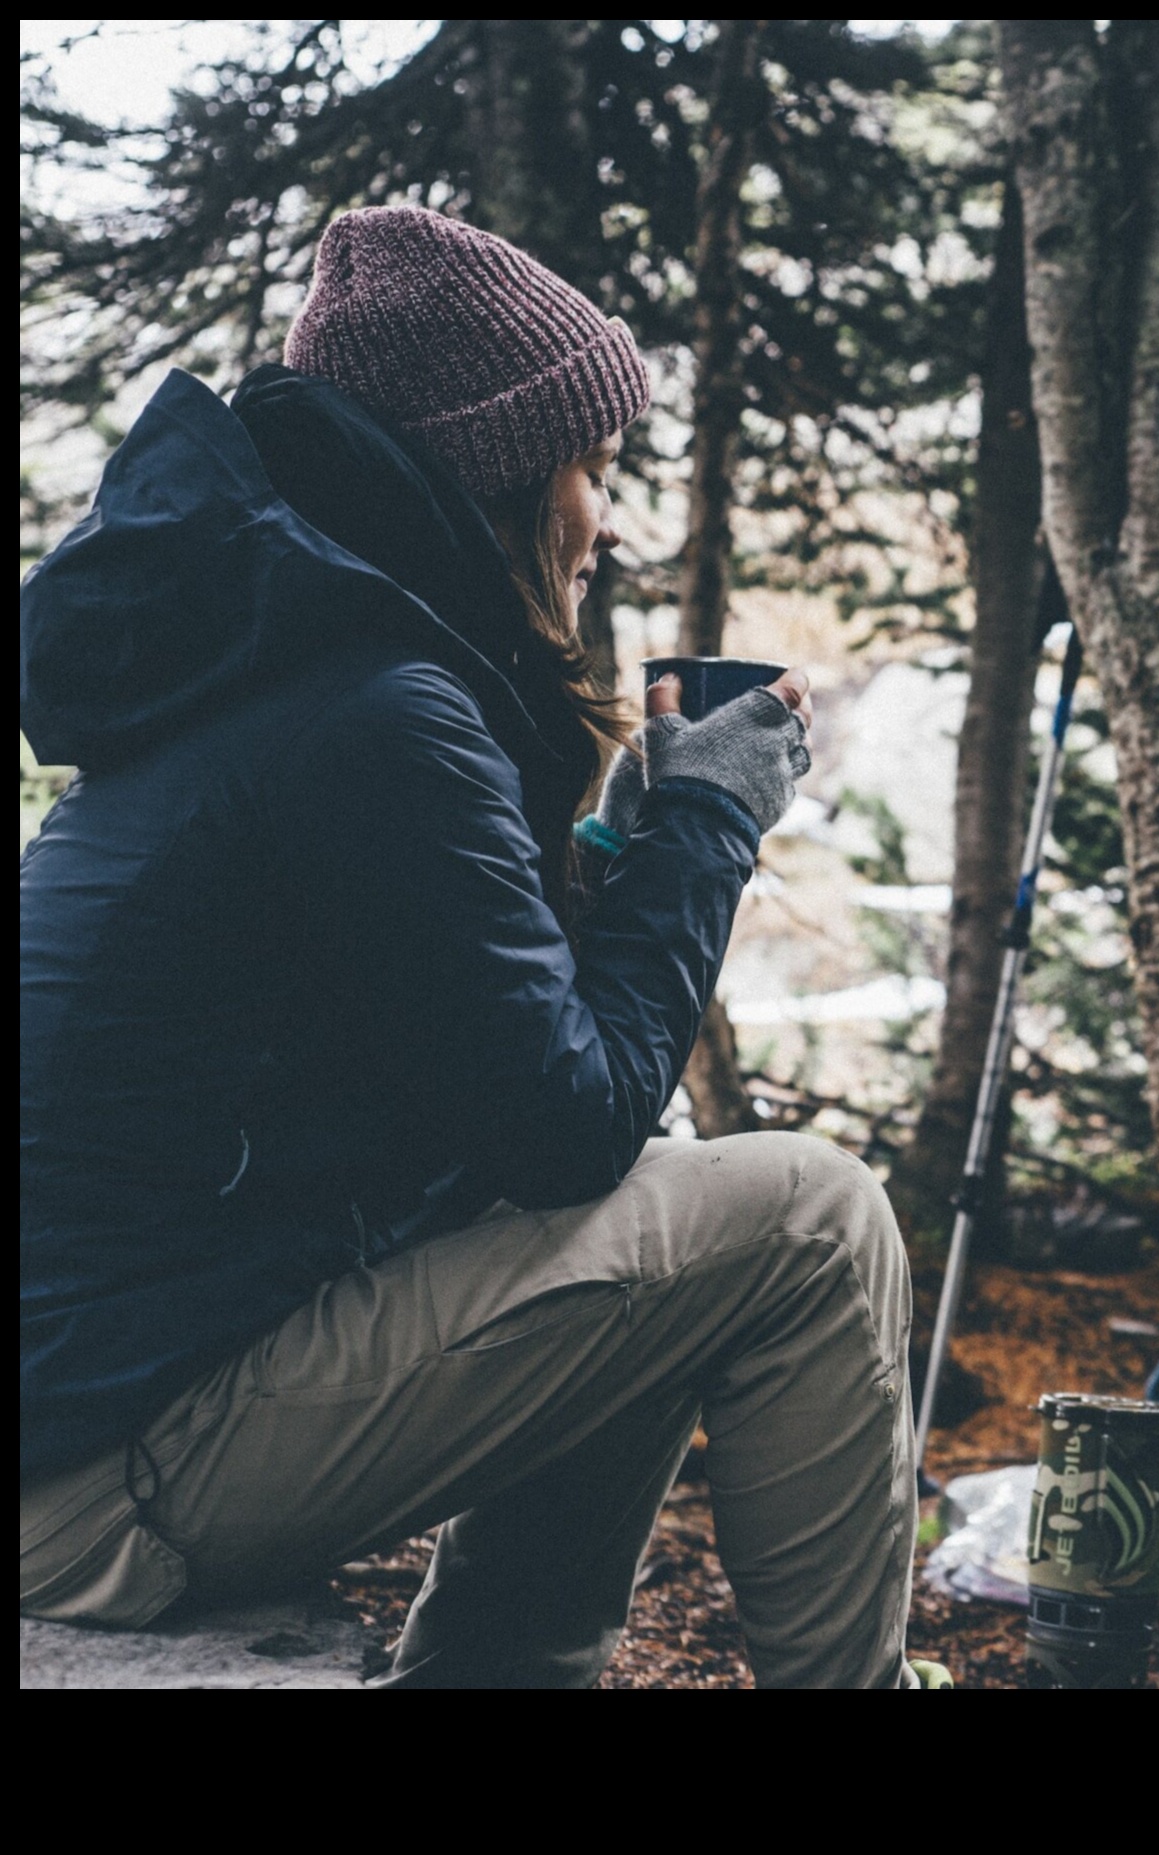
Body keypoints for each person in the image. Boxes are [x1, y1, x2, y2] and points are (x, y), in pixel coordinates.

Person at [20, 206, 923, 1687]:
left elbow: (498, 1093)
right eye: (590, 469)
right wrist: (711, 828)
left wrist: (622, 849)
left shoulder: (281, 669)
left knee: (666, 1204)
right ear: (496, 476)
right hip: (93, 1478)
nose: (606, 520)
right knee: (812, 1220)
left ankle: (506, 1671)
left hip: (84, 1415)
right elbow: (562, 1129)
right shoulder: (377, 711)